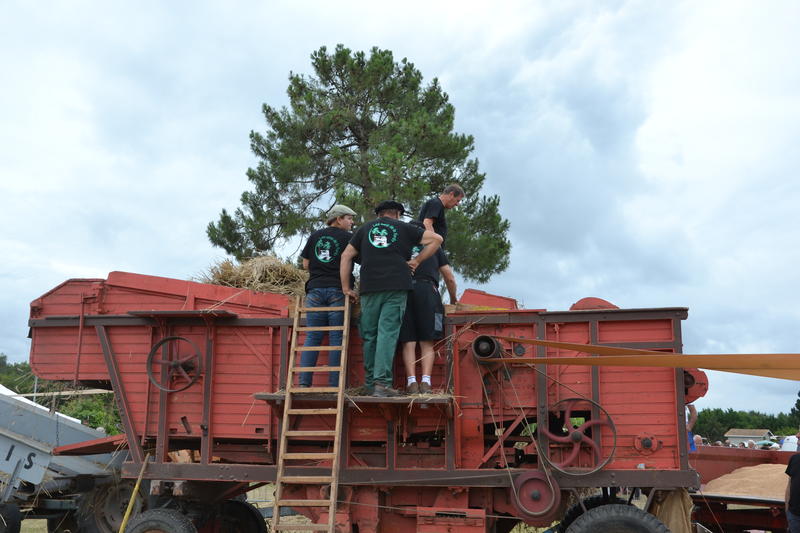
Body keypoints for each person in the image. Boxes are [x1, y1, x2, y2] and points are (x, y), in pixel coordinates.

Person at [340, 201, 442, 397]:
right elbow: (437, 239)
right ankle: (382, 384)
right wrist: (417, 261)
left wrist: (346, 288)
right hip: (396, 287)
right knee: (387, 333)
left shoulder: (364, 229)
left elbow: (346, 256)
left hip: (369, 288)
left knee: (369, 335)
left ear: (379, 215)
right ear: (397, 214)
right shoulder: (405, 228)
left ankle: (370, 384)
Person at [297, 204, 357, 388]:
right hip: (337, 290)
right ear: (338, 219)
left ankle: (304, 384)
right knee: (336, 338)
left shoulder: (315, 236)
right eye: (349, 218)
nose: (352, 222)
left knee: (313, 336)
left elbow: (306, 264)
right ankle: (333, 385)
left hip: (314, 290)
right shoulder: (349, 238)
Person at [399, 221, 457, 394]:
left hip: (404, 292)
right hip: (428, 292)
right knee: (427, 341)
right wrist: (453, 299)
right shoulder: (436, 248)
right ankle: (426, 382)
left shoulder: (401, 246)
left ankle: (411, 383)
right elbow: (449, 277)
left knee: (408, 341)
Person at [786, 428, 800, 533]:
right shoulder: (794, 459)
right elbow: (789, 485)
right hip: (794, 516)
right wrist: (787, 511)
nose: (798, 442)